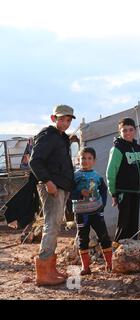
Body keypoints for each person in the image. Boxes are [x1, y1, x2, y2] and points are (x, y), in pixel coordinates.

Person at [29, 105, 76, 286]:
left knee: (55, 226)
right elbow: (35, 161)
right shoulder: (47, 135)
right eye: (62, 119)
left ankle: (50, 269)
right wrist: (48, 182)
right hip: (52, 187)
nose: (65, 122)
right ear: (53, 118)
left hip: (60, 186)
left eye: (68, 120)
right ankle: (42, 273)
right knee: (51, 225)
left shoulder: (60, 138)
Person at [106, 118, 140, 247]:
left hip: (136, 190)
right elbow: (111, 171)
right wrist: (113, 193)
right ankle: (117, 249)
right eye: (124, 130)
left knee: (133, 221)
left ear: (135, 131)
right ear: (119, 131)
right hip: (123, 190)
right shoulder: (117, 148)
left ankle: (132, 248)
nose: (128, 133)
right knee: (124, 222)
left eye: (131, 130)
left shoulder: (138, 148)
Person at [71, 148, 112, 275]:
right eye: (83, 158)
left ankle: (110, 264)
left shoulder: (98, 176)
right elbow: (69, 193)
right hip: (81, 213)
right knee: (83, 239)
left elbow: (104, 190)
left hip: (96, 211)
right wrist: (79, 193)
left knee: (104, 236)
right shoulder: (74, 177)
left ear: (94, 161)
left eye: (89, 158)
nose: (86, 161)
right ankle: (85, 267)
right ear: (78, 160)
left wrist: (102, 204)